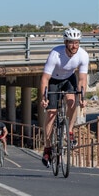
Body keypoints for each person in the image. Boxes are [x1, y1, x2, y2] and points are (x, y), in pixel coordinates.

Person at [39, 28, 89, 167]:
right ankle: (48, 147)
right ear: (65, 42)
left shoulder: (83, 55)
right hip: (53, 80)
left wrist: (83, 97)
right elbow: (45, 78)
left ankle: (69, 131)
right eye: (72, 43)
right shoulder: (55, 54)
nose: (74, 46)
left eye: (77, 43)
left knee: (73, 102)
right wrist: (44, 97)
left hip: (68, 78)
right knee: (51, 113)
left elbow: (82, 79)